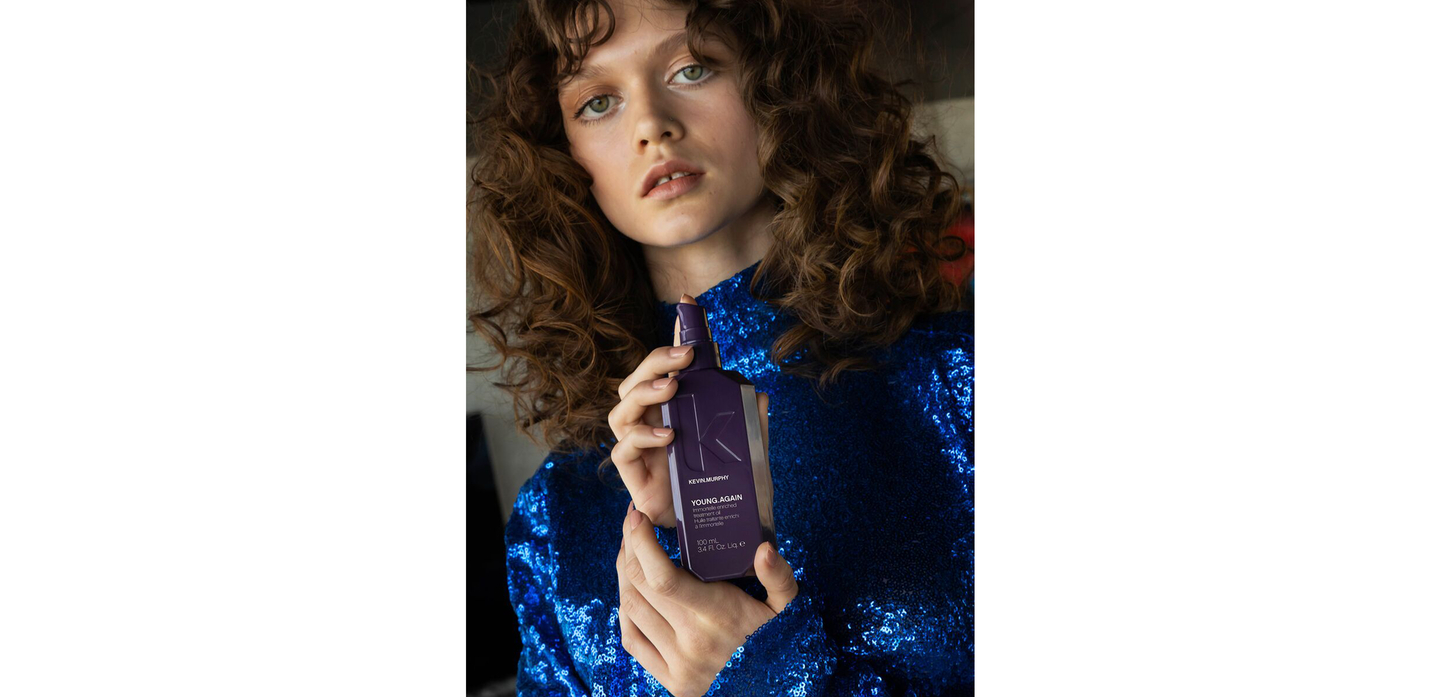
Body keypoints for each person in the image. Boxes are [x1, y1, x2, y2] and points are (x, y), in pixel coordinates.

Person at [468, 0, 973, 694]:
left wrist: (768, 674)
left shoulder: (958, 384)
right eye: (598, 101)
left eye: (692, 67)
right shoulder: (553, 522)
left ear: (780, 87)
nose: (651, 123)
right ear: (564, 155)